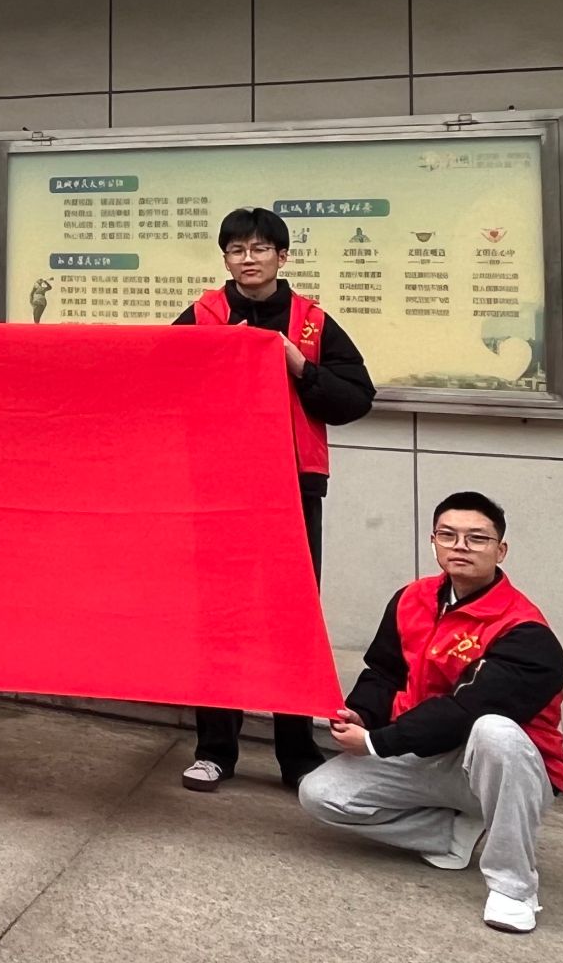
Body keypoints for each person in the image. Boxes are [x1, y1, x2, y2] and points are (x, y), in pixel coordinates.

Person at [300, 492, 563, 936]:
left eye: (476, 538)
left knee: (494, 730)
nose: (460, 546)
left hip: (507, 770)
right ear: (433, 541)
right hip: (430, 753)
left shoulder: (526, 632)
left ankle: (513, 888)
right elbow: (384, 671)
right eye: (448, 535)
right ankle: (452, 834)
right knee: (321, 793)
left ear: (501, 550)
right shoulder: (412, 598)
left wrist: (377, 742)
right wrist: (363, 715)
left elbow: (467, 710)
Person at [175, 206, 375, 791]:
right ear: (226, 258)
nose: (248, 258)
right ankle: (215, 750)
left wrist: (297, 364)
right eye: (237, 249)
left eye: (260, 248)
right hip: (219, 492)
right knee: (220, 619)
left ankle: (296, 754)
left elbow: (355, 398)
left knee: (292, 618)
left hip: (293, 487)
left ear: (282, 256)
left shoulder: (312, 322)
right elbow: (157, 377)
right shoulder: (204, 316)